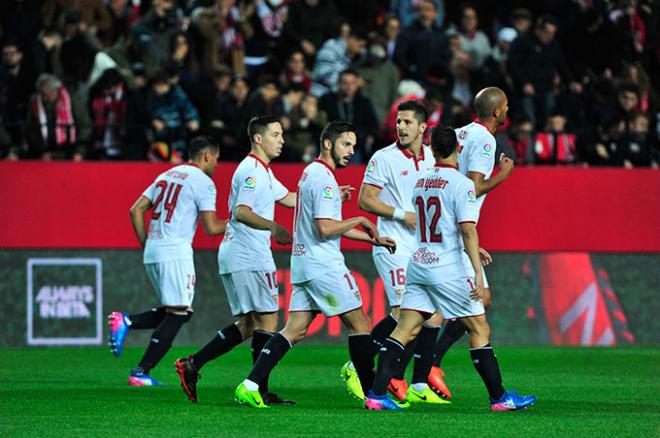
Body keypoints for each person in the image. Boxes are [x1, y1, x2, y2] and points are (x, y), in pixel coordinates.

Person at [364, 124, 536, 411]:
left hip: (419, 263)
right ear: (459, 149)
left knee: (404, 329)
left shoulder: (421, 182)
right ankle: (500, 398)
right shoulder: (462, 184)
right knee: (479, 328)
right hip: (448, 267)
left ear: (432, 150)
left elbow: (432, 223)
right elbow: (467, 231)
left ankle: (377, 395)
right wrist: (477, 275)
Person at [234, 121, 396, 408]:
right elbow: (325, 228)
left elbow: (330, 224)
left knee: (294, 329)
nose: (351, 151)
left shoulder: (311, 173)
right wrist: (359, 218)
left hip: (303, 262)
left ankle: (249, 385)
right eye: (346, 144)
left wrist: (373, 239)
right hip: (324, 264)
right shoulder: (323, 178)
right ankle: (375, 395)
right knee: (360, 324)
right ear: (328, 144)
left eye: (354, 146)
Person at [175, 115, 296, 406]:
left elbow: (290, 197)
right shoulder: (252, 171)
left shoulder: (263, 171)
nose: (281, 140)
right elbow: (241, 212)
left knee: (247, 324)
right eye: (276, 135)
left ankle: (194, 363)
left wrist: (329, 196)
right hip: (249, 253)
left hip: (237, 253)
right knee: (267, 319)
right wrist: (273, 226)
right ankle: (257, 389)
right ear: (258, 138)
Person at [341, 100, 448, 405]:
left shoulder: (432, 158)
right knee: (404, 312)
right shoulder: (383, 158)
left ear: (423, 128)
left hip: (423, 248)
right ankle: (355, 365)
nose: (400, 127)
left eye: (407, 122)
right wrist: (402, 215)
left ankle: (417, 384)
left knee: (432, 314)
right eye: (398, 122)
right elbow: (365, 199)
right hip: (392, 245)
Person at [107, 136, 228, 386]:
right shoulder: (203, 182)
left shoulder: (168, 174)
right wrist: (242, 221)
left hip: (155, 249)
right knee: (178, 312)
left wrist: (147, 243)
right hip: (175, 250)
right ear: (206, 156)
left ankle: (133, 340)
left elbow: (135, 209)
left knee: (181, 311)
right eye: (216, 158)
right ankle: (139, 366)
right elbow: (212, 227)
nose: (217, 164)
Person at [432, 87, 514, 390]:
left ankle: (426, 363)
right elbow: (471, 188)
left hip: (447, 227)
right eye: (505, 106)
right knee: (467, 308)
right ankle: (426, 365)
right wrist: (502, 177)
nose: (508, 110)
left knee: (467, 303)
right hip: (456, 230)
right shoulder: (485, 140)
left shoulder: (459, 133)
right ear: (496, 112)